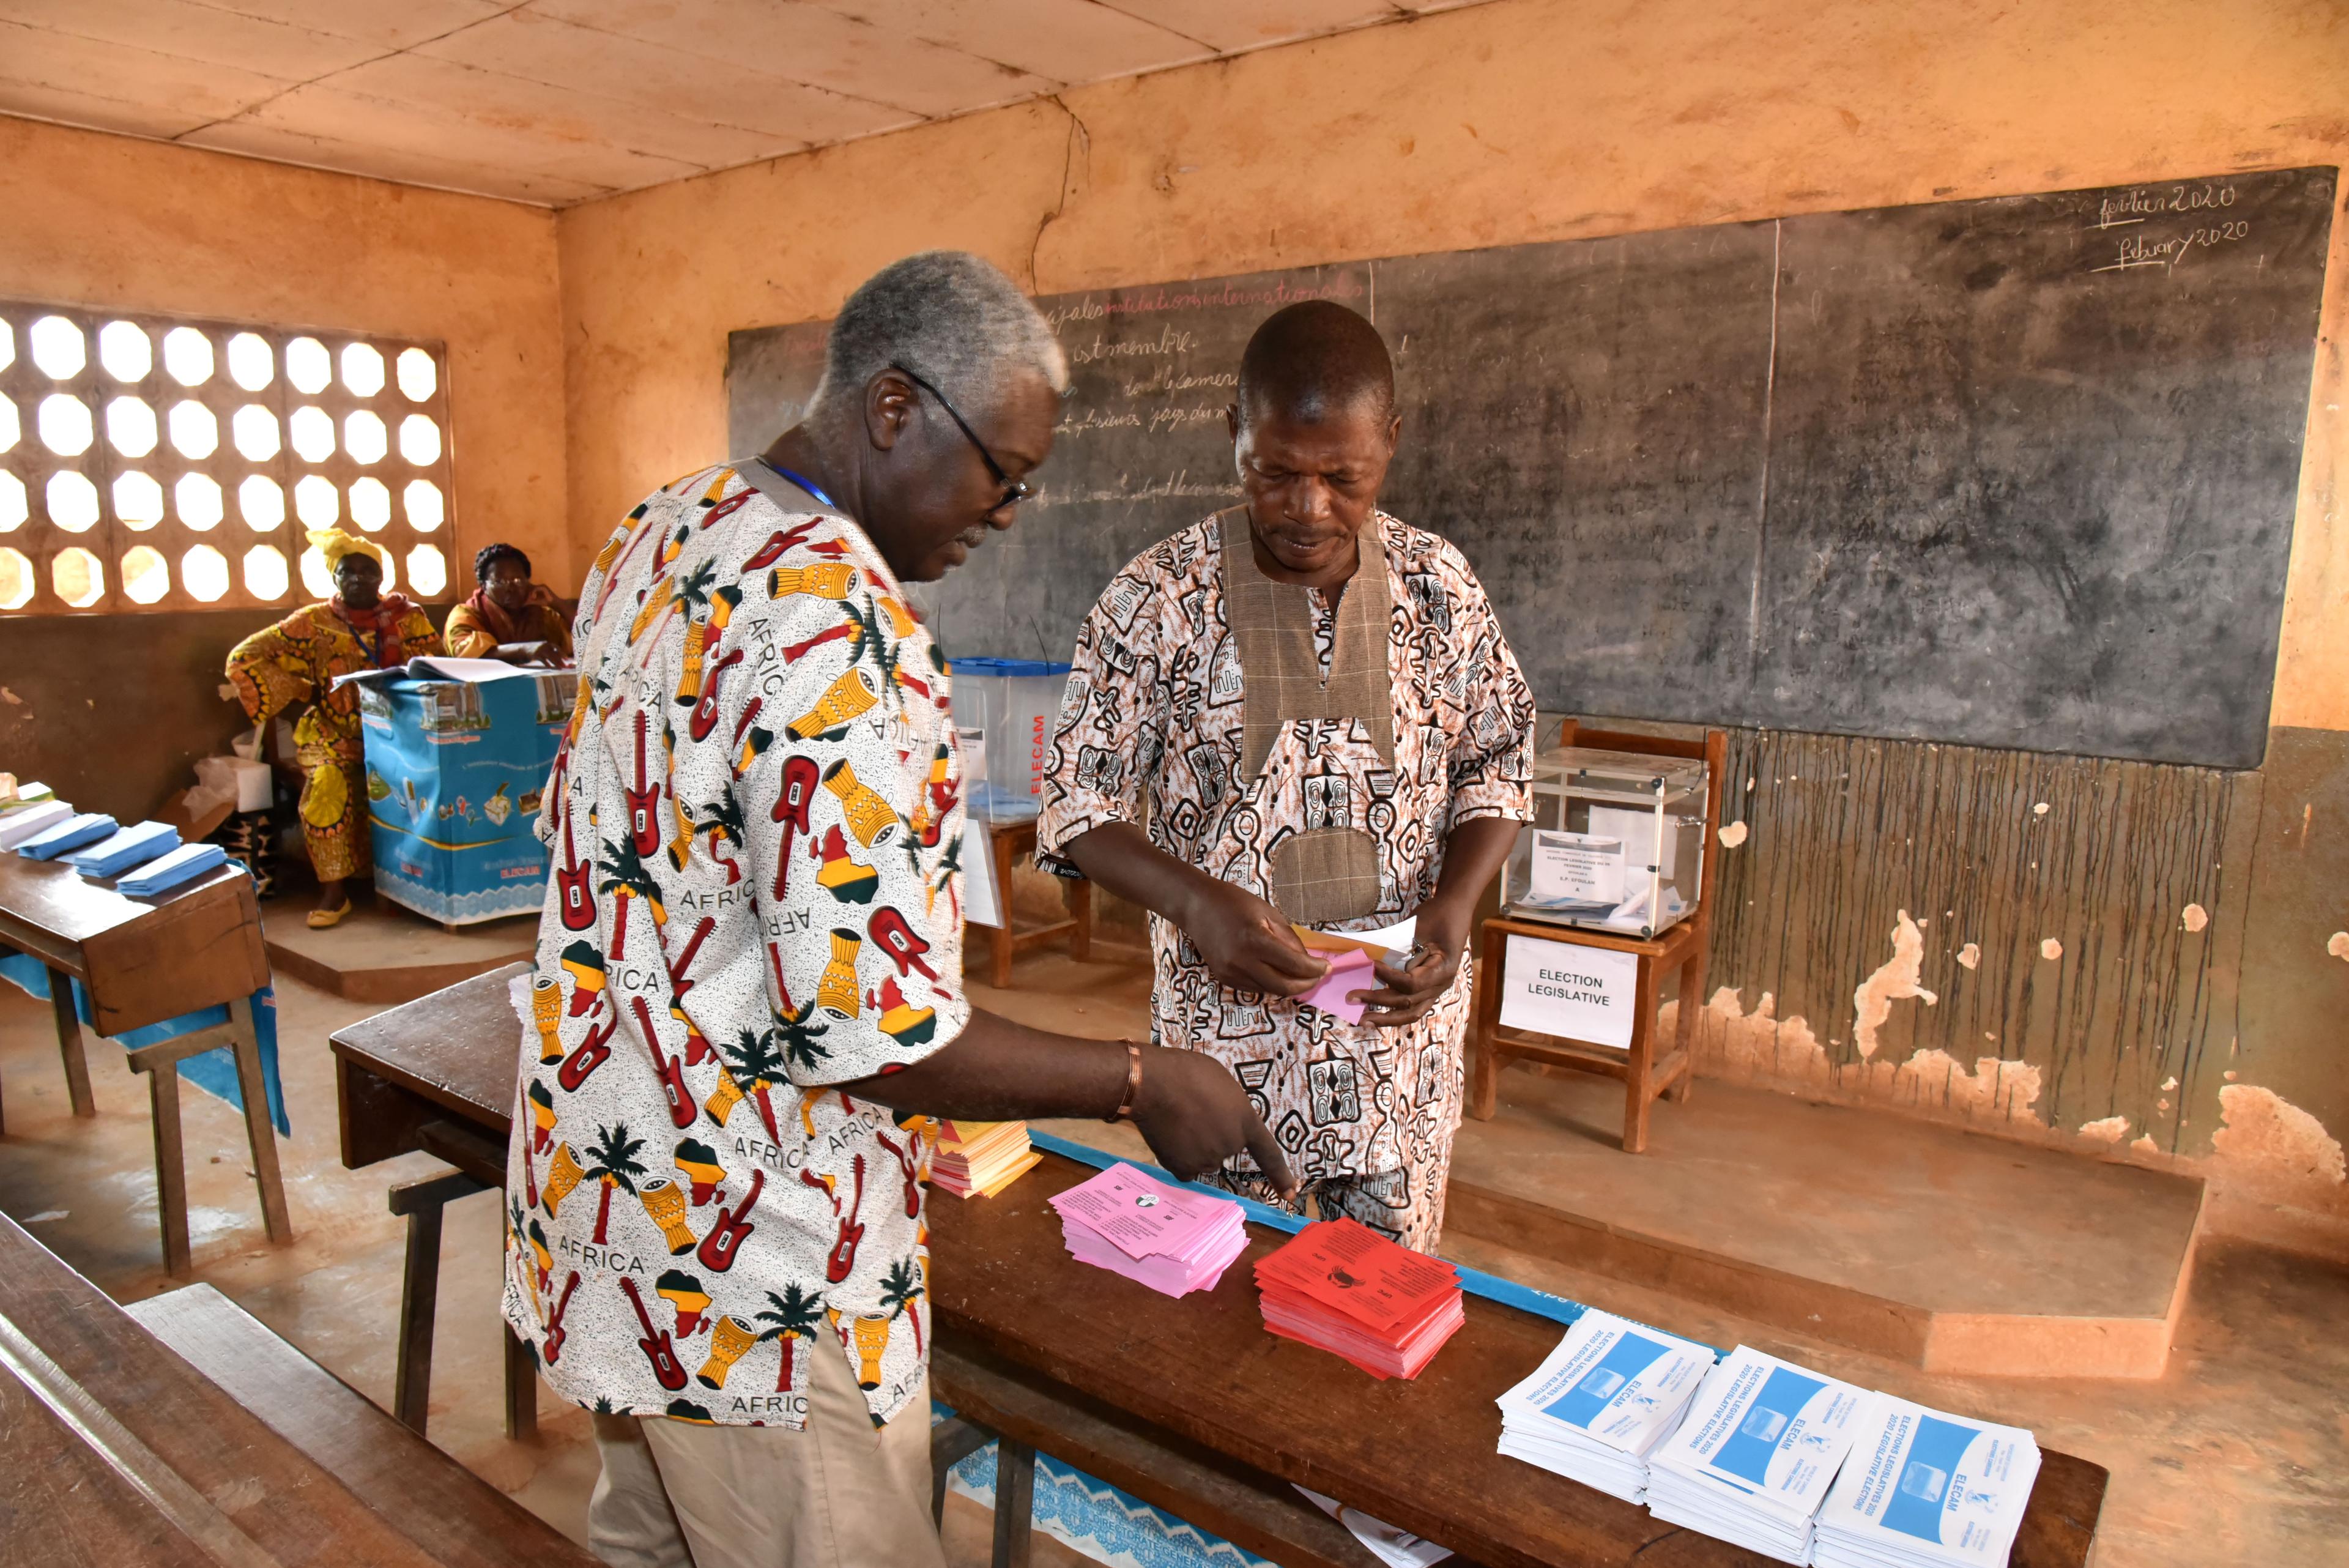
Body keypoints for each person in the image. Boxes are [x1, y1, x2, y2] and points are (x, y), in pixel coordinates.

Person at [506, 252, 1290, 1568]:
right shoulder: (842, 631)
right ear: (892, 409)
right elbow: (874, 1035)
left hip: (605, 1191)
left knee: (650, 1544)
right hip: (748, 1269)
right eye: (1001, 471)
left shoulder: (669, 525)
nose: (1009, 511)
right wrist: (1140, 1077)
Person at [1037, 300, 1538, 1252]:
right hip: (1223, 1069)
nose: (1307, 508)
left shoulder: (1442, 588)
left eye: (1342, 477)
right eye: (1275, 472)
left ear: (1389, 444)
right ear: (1233, 436)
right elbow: (1076, 800)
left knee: (1375, 1314)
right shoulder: (1155, 599)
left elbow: (1497, 758)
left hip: (1401, 1060)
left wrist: (1456, 907)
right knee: (1222, 1313)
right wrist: (1194, 903)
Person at [226, 528, 440, 927]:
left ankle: (410, 885)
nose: (358, 577)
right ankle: (334, 892)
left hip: (399, 733)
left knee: (425, 783)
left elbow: (438, 666)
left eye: (368, 570)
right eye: (348, 571)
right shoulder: (312, 622)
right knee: (327, 785)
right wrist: (299, 687)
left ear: (382, 576)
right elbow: (245, 655)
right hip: (333, 735)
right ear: (335, 578)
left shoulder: (407, 618)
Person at [443, 542, 573, 664]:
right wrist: (525, 650)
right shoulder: (466, 615)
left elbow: (587, 640)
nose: (510, 588)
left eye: (518, 580)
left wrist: (557, 603)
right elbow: (465, 653)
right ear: (483, 585)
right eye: (499, 582)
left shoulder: (543, 616)